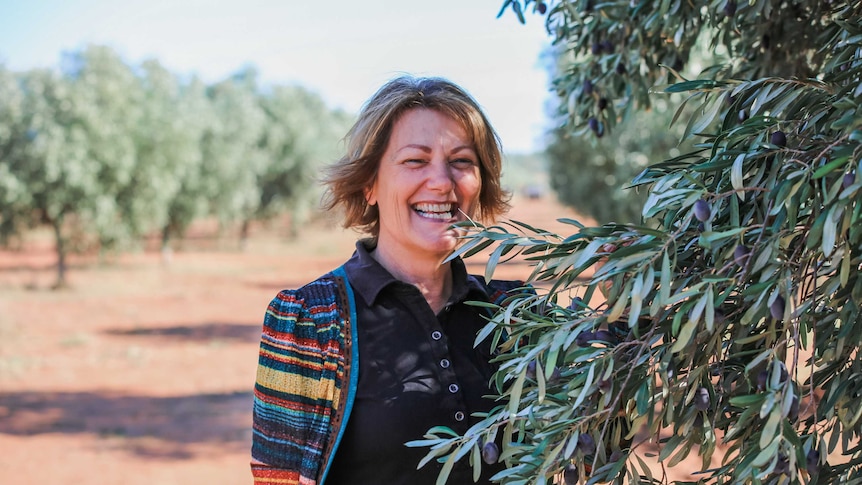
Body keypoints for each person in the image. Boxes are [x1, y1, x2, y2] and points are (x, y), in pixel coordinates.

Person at [250, 75, 527, 485]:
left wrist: (625, 319)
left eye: (462, 161)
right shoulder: (309, 321)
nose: (442, 181)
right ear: (369, 184)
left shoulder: (516, 314)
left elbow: (595, 442)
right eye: (416, 161)